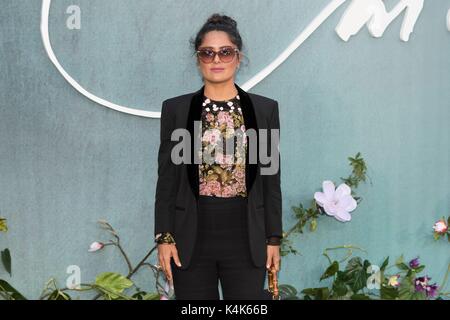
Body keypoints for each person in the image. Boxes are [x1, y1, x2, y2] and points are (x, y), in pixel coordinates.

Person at [154, 13, 283, 300]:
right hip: (191, 236)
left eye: (225, 52)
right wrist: (164, 236)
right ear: (198, 58)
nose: (216, 60)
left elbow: (271, 181)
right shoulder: (177, 110)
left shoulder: (264, 111)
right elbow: (167, 180)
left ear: (238, 57)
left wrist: (273, 238)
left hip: (246, 234)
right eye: (207, 53)